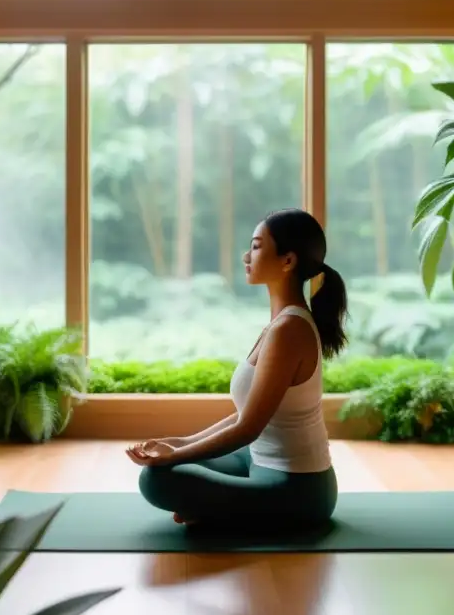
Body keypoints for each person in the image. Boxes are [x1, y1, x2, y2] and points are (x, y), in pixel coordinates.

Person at [126, 208, 347, 531]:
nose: (246, 255)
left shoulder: (289, 330)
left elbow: (247, 428)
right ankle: (217, 509)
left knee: (156, 480)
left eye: (257, 246)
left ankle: (217, 512)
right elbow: (248, 413)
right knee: (172, 466)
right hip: (256, 460)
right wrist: (178, 443)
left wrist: (173, 457)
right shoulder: (280, 323)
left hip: (298, 490)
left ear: (287, 261)